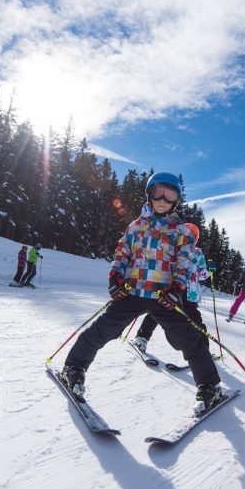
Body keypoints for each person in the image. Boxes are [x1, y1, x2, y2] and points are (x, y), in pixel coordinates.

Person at [58, 173, 223, 414]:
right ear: (149, 194)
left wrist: (177, 287)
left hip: (163, 296)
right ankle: (73, 368)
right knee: (103, 329)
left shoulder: (182, 233)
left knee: (188, 339)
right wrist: (115, 276)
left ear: (176, 199)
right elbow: (122, 254)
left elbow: (185, 263)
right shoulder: (135, 227)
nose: (163, 199)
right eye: (158, 192)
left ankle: (209, 387)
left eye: (170, 194)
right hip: (132, 291)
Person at [132, 222, 211, 354]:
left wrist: (208, 271)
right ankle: (142, 337)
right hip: (171, 288)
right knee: (157, 311)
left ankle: (203, 348)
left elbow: (202, 274)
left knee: (195, 319)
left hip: (189, 293)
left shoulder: (198, 255)